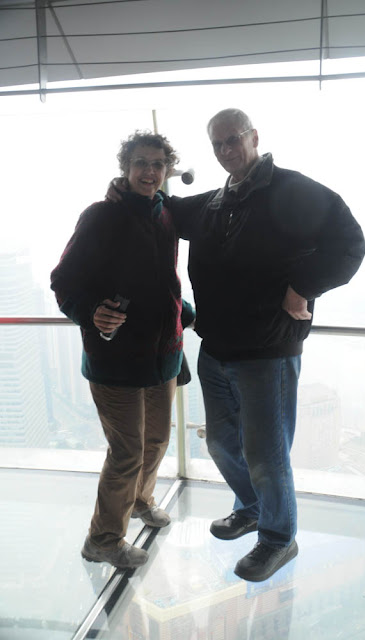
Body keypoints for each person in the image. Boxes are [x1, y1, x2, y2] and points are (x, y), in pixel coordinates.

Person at [108, 108, 365, 582]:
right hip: (217, 348)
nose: (226, 150)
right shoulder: (216, 202)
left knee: (267, 455)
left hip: (268, 351)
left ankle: (278, 538)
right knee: (224, 444)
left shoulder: (293, 190)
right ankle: (252, 508)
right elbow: (165, 206)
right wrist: (127, 188)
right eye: (218, 144)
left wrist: (303, 287)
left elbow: (349, 243)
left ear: (254, 137)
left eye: (234, 139)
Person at [51, 131, 195, 570]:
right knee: (127, 451)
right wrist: (89, 312)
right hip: (115, 360)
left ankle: (140, 501)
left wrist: (183, 312)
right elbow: (63, 281)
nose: (149, 171)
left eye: (157, 164)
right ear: (125, 167)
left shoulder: (166, 213)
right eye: (140, 163)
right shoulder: (101, 216)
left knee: (157, 440)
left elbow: (161, 280)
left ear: (167, 169)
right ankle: (103, 539)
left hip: (164, 354)